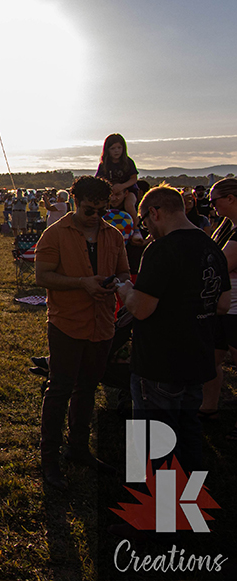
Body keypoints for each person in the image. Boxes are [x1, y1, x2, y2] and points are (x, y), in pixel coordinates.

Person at [117, 185, 230, 473]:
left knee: (153, 439)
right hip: (198, 356)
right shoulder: (212, 246)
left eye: (145, 222)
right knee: (188, 429)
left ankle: (158, 515)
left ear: (154, 213)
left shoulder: (162, 249)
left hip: (160, 362)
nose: (148, 230)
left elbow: (141, 308)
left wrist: (126, 291)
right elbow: (223, 303)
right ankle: (188, 502)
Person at [34, 176, 130, 490]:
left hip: (102, 324)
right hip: (66, 323)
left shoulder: (113, 235)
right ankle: (49, 458)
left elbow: (123, 271)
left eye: (102, 210)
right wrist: (81, 284)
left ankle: (78, 448)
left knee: (87, 388)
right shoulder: (55, 233)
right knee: (60, 388)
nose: (96, 216)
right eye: (90, 210)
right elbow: (43, 276)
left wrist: (116, 285)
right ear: (76, 202)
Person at [201, 178, 237, 433]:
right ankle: (208, 409)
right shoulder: (226, 226)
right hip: (223, 307)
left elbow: (222, 265)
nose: (212, 207)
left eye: (215, 201)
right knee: (212, 359)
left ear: (231, 199)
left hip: (236, 309)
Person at [95, 133, 140, 223]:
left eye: (119, 148)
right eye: (113, 148)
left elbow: (134, 178)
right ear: (107, 150)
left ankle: (136, 228)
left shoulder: (128, 162)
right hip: (110, 191)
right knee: (101, 206)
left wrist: (122, 186)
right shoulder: (104, 165)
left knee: (129, 205)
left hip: (128, 190)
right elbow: (99, 180)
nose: (116, 151)